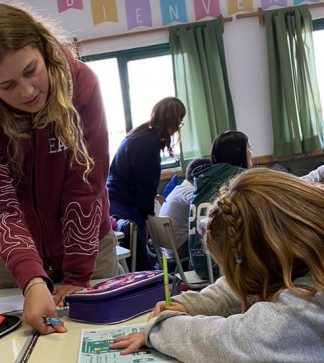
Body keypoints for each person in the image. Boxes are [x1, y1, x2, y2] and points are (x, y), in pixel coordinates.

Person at [109, 170, 324, 363]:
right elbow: (241, 284)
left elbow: (235, 340)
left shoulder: (320, 301)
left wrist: (161, 329)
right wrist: (191, 304)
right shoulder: (306, 263)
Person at [0, 2, 119, 335]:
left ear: (43, 49)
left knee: (99, 346)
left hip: (89, 251)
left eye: (31, 71)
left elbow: (85, 186)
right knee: (29, 351)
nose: (27, 91)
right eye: (7, 86)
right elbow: (1, 208)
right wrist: (31, 280)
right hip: (19, 257)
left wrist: (75, 276)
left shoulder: (81, 85)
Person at [106, 97, 186, 269]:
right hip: (125, 205)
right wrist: (147, 217)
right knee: (139, 263)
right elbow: (145, 187)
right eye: (179, 122)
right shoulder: (148, 143)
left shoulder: (140, 134)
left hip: (115, 199)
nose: (178, 128)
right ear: (172, 121)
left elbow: (136, 177)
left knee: (132, 260)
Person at [188, 130, 251, 279]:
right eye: (249, 148)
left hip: (199, 263)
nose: (251, 153)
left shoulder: (202, 179)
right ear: (240, 152)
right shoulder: (237, 177)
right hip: (222, 265)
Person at [158, 157, 211, 260]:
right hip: (179, 247)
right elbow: (206, 203)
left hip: (169, 247)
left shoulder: (179, 189)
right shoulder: (189, 191)